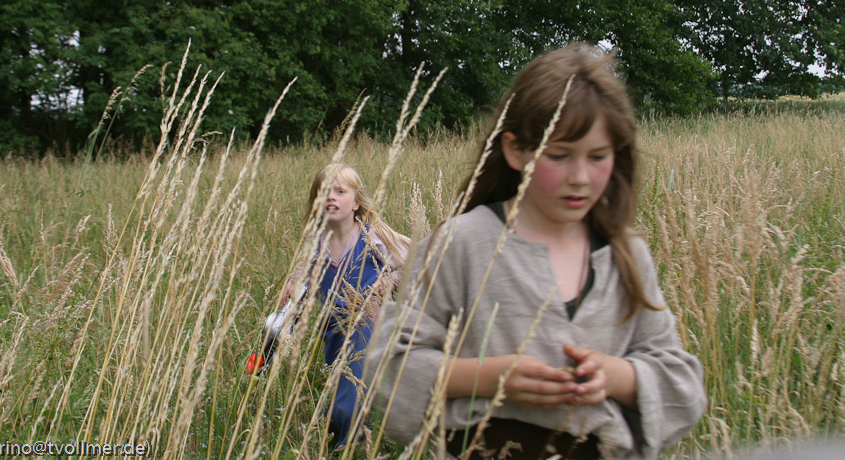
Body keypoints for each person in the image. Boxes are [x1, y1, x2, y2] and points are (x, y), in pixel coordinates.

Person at [365, 44, 706, 459]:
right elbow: (390, 369)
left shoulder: (626, 253)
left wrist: (618, 376)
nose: (580, 177)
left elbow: (681, 383)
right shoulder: (461, 243)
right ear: (515, 150)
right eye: (558, 155)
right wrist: (490, 378)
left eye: (598, 156)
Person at [284, 163, 410, 450]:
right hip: (333, 330)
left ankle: (347, 440)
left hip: (370, 326)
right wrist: (293, 285)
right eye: (324, 192)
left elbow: (415, 258)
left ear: (356, 202)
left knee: (352, 392)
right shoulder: (316, 243)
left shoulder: (372, 236)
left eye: (340, 191)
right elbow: (304, 277)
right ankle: (348, 435)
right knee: (346, 384)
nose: (331, 196)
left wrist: (389, 280)